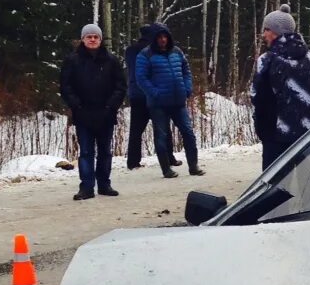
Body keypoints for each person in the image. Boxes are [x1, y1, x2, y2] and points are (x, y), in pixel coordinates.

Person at [250, 4, 310, 170]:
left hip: (276, 140)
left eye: (267, 29)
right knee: (309, 187)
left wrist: (263, 131)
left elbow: (258, 99)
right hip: (309, 137)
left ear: (276, 31)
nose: (264, 34)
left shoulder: (266, 61)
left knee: (275, 190)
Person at [59, 23, 126, 200]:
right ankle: (87, 187)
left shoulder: (111, 60)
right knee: (86, 152)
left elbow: (120, 86)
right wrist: (77, 106)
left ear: (100, 39)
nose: (93, 39)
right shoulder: (72, 60)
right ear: (83, 39)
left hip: (106, 113)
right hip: (83, 114)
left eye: (96, 37)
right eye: (89, 36)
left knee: (105, 151)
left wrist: (111, 106)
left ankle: (104, 184)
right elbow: (65, 87)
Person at [136, 22, 204, 178]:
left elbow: (186, 70)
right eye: (159, 37)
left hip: (178, 101)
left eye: (165, 36)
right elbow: (141, 78)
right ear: (154, 38)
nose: (162, 40)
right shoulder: (145, 55)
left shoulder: (177, 52)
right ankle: (166, 169)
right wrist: (154, 93)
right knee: (161, 136)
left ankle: (193, 166)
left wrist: (187, 88)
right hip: (158, 103)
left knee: (188, 133)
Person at [124, 24, 176, 170]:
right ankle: (169, 158)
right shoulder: (155, 50)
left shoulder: (131, 50)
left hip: (136, 94)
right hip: (154, 94)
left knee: (136, 130)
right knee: (163, 127)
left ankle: (133, 161)